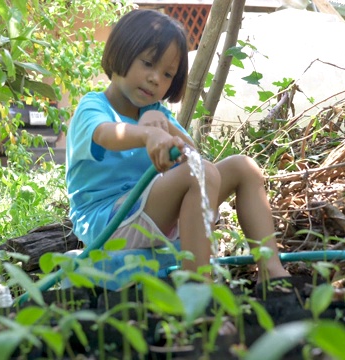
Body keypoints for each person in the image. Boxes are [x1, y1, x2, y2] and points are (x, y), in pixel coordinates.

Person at [65, 9, 290, 286]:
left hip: (151, 210)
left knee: (243, 167)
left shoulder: (156, 111)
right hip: (108, 222)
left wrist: (162, 126)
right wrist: (146, 134)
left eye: (168, 73)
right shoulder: (94, 106)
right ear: (120, 52)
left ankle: (273, 272)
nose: (155, 78)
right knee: (200, 173)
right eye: (147, 63)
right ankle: (198, 287)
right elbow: (106, 135)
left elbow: (193, 156)